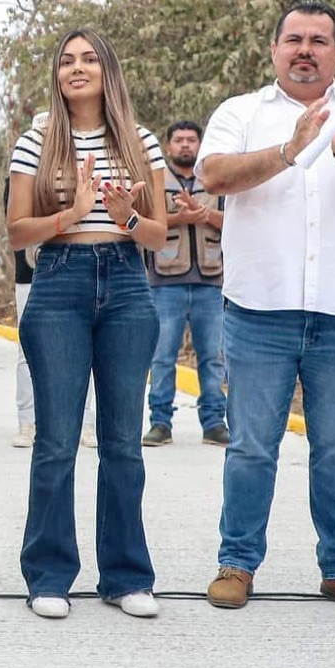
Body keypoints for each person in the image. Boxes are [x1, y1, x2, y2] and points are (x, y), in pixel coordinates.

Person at [197, 1, 335, 616]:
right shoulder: (241, 112)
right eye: (293, 39)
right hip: (258, 312)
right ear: (273, 50)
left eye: (319, 41)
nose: (305, 49)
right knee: (250, 447)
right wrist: (289, 150)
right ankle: (236, 563)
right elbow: (213, 175)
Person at [7, 30, 167, 621]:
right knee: (56, 441)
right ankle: (49, 574)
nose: (78, 68)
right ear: (57, 73)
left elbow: (158, 234)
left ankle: (126, 576)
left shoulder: (141, 141)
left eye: (90, 58)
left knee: (123, 441)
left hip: (126, 282)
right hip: (59, 282)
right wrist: (69, 215)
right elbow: (17, 232)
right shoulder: (36, 141)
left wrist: (125, 214)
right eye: (67, 60)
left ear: (108, 69)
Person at [142, 119, 229, 447]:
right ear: (168, 147)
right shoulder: (156, 180)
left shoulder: (216, 180)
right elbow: (146, 225)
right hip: (165, 283)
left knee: (213, 357)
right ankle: (160, 423)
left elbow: (234, 221)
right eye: (178, 140)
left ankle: (214, 423)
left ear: (200, 144)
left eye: (191, 140)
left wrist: (204, 214)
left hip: (210, 282)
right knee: (162, 356)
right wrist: (182, 217)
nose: (185, 146)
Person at [6, 176, 36, 449]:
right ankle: (27, 422)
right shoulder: (19, 173)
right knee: (26, 352)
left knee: (83, 351)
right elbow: (16, 228)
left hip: (74, 272)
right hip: (29, 275)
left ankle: (86, 424)